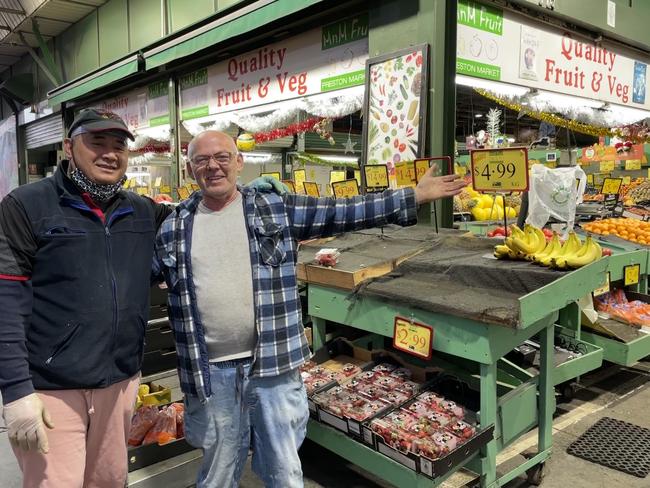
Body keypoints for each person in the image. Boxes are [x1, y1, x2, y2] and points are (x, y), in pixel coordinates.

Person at [153, 130, 466, 488]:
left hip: (272, 367)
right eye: (201, 160)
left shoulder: (275, 208)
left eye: (222, 157)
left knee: (284, 471)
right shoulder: (174, 226)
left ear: (239, 162)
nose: (213, 167)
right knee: (218, 473)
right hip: (210, 373)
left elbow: (345, 210)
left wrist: (413, 195)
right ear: (190, 169)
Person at [0, 109, 279, 487]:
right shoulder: (26, 206)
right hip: (53, 386)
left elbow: (195, 217)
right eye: (97, 142)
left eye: (119, 145)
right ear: (69, 147)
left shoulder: (142, 210)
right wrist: (16, 392)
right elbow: (7, 301)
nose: (110, 153)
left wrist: (245, 197)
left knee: (110, 481)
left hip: (120, 382)